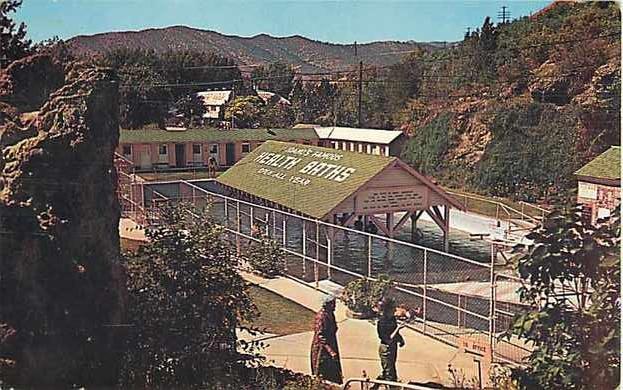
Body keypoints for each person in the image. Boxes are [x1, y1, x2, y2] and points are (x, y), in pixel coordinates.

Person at [310, 295, 343, 384]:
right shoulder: (321, 316)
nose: (335, 306)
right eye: (333, 304)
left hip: (331, 343)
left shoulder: (330, 314)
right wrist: (330, 350)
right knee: (322, 372)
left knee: (333, 372)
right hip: (322, 348)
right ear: (328, 304)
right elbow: (320, 336)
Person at [373, 297, 405, 388]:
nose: (395, 309)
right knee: (390, 374)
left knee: (388, 370)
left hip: (393, 347)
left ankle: (375, 386)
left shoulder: (392, 319)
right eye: (393, 308)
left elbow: (395, 333)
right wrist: (398, 328)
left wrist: (401, 340)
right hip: (386, 349)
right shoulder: (382, 322)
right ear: (387, 309)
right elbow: (388, 339)